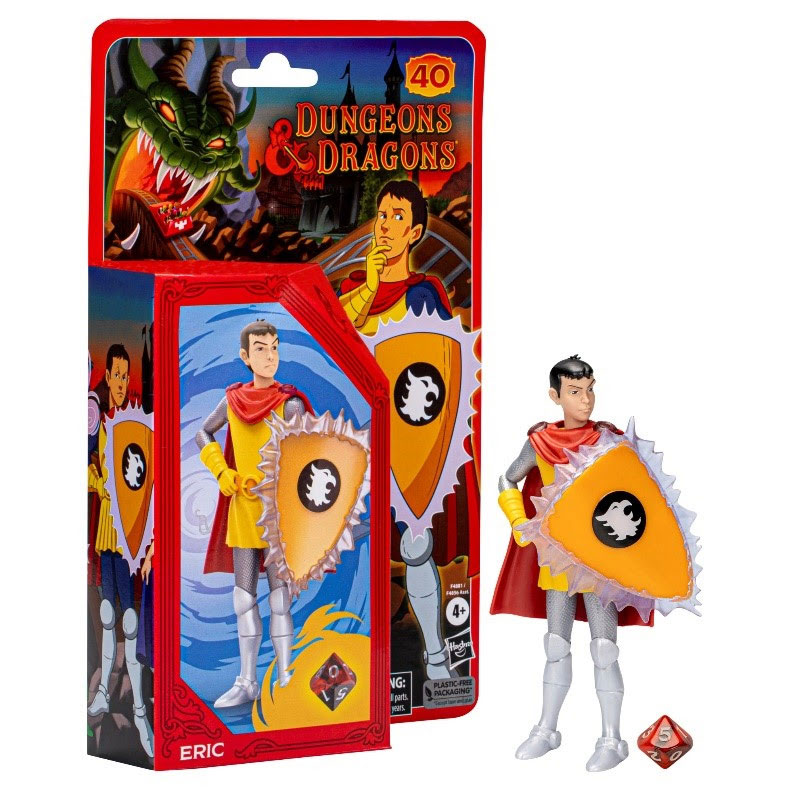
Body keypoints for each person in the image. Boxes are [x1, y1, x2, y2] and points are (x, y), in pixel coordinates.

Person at [491, 355, 651, 772]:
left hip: (598, 559)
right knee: (556, 645)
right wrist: (518, 520)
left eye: (590, 389)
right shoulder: (540, 441)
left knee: (604, 648)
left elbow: (636, 492)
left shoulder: (607, 440)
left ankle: (612, 738)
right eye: (575, 391)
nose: (586, 400)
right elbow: (507, 478)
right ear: (555, 395)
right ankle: (547, 729)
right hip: (557, 557)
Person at [196, 320, 312, 707]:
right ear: (245, 356)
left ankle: (285, 678)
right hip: (244, 509)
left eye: (275, 347)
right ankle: (247, 681)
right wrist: (222, 472)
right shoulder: (232, 400)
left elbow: (308, 454)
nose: (270, 355)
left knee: (280, 599)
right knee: (243, 598)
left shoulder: (290, 403)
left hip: (278, 514)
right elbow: (203, 432)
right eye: (261, 348)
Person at [87, 344, 154, 758]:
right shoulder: (98, 423)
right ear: (107, 377)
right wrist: (99, 483)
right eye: (116, 375)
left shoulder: (137, 422)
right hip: (108, 532)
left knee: (129, 618)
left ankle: (139, 708)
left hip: (132, 535)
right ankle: (103, 696)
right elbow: (88, 471)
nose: (122, 382)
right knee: (108, 613)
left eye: (126, 376)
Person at [338, 179, 452, 333]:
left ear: (415, 233)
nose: (385, 226)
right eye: (383, 216)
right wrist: (370, 287)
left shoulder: (420, 293)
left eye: (398, 217)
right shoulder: (350, 287)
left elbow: (445, 343)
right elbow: (328, 330)